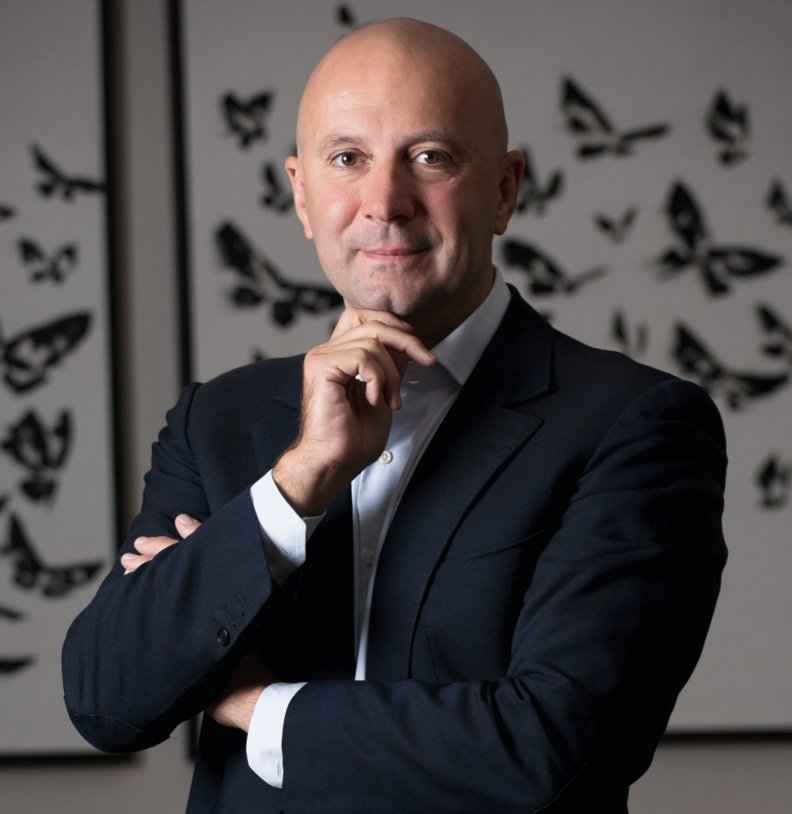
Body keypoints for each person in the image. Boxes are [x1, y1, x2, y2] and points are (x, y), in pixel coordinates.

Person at [62, 18, 727, 814]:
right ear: (301, 194)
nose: (385, 202)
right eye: (347, 159)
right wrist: (298, 481)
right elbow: (108, 700)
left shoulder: (635, 425)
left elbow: (552, 748)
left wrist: (256, 706)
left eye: (431, 156)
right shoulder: (217, 421)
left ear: (504, 190)